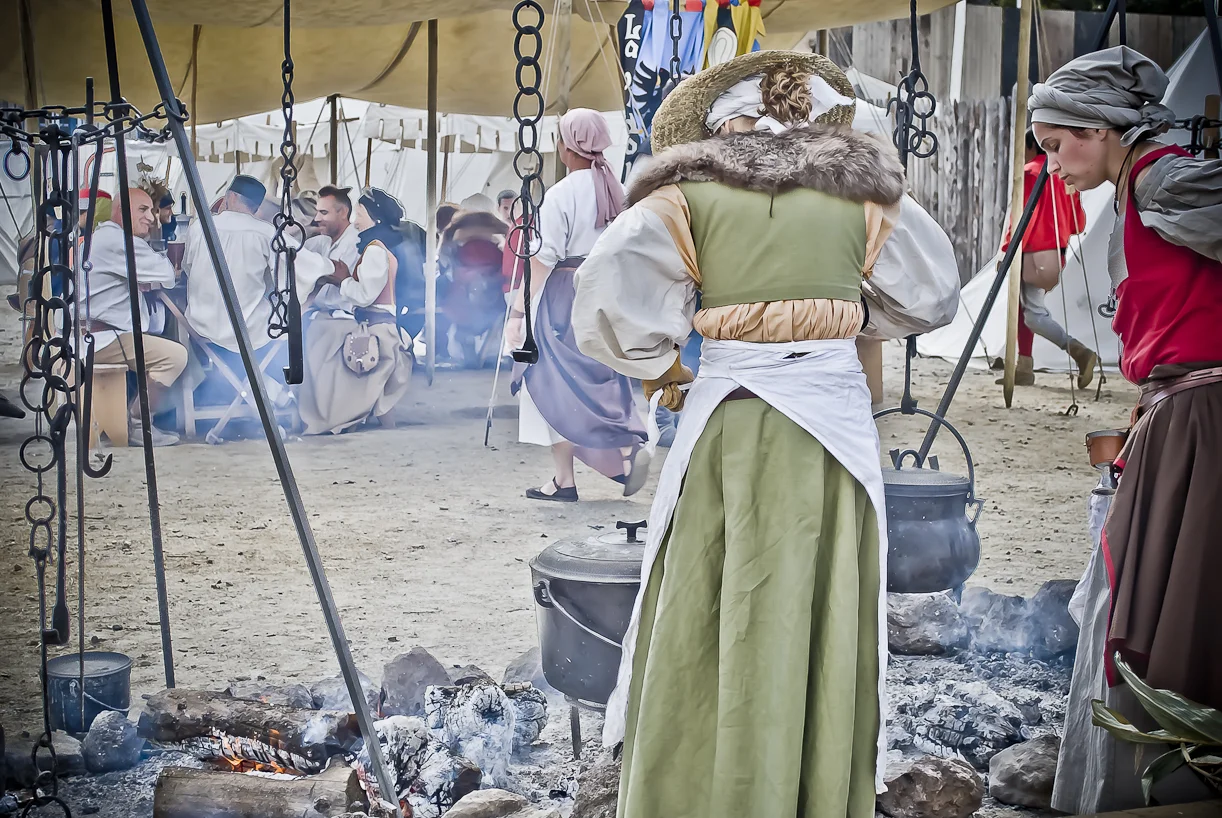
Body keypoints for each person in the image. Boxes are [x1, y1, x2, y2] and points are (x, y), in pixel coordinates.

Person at [571, 51, 908, 817]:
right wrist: (836, 317)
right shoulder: (864, 199)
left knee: (709, 591)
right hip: (831, 431)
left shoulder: (688, 197)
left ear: (726, 131)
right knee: (815, 601)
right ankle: (807, 789)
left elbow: (606, 292)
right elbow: (924, 292)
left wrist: (661, 366)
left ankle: (695, 792)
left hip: (732, 419)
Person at [1028, 47, 1222, 814]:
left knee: (1171, 602)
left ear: (1101, 130)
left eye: (1057, 145)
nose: (1052, 165)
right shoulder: (1146, 180)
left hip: (1201, 422)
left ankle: (1172, 791)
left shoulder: (1161, 178)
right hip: (1178, 413)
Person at [507, 108, 650, 502]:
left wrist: (518, 312)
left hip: (564, 295)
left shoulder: (562, 194)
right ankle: (624, 450)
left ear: (568, 147)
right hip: (607, 292)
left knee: (551, 381)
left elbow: (543, 259)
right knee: (602, 375)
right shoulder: (621, 191)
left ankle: (563, 479)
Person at [296, 188, 414, 435]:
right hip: (376, 324)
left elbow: (364, 296)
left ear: (374, 218)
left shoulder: (375, 250)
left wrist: (342, 280)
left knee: (319, 347)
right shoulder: (376, 246)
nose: (356, 221)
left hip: (378, 329)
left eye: (360, 214)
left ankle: (327, 414)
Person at [993, 129, 1097, 387]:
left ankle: (1079, 352)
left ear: (1031, 146)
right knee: (1024, 307)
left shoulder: (1031, 172)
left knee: (1033, 315)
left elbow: (1023, 218)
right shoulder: (1064, 175)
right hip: (1055, 253)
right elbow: (1078, 223)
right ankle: (1024, 367)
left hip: (1033, 253)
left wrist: (1007, 250)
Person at [86, 188, 186, 446]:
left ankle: (132, 418)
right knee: (175, 356)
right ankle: (139, 424)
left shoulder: (106, 237)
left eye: (152, 211)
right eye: (143, 210)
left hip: (96, 334)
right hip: (101, 339)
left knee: (155, 338)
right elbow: (166, 274)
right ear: (121, 212)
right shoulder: (118, 241)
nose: (151, 218)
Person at [305, 185, 361, 311]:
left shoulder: (355, 243)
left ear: (343, 212)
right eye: (317, 212)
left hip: (341, 315)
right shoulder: (324, 241)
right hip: (319, 311)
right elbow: (296, 251)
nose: (317, 219)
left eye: (324, 213)